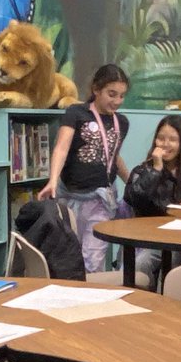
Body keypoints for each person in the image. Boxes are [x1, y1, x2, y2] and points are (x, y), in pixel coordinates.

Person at [37, 64, 130, 273]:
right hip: (71, 197)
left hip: (101, 199)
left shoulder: (121, 122)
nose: (117, 101)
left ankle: (91, 290)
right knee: (69, 255)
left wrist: (131, 181)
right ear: (96, 89)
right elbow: (61, 148)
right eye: (111, 94)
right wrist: (52, 180)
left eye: (122, 96)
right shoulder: (76, 113)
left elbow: (112, 156)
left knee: (93, 259)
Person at [123, 114, 181, 283]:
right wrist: (156, 170)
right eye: (161, 138)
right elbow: (134, 198)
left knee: (178, 266)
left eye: (173, 140)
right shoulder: (143, 170)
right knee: (142, 264)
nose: (165, 144)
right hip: (151, 239)